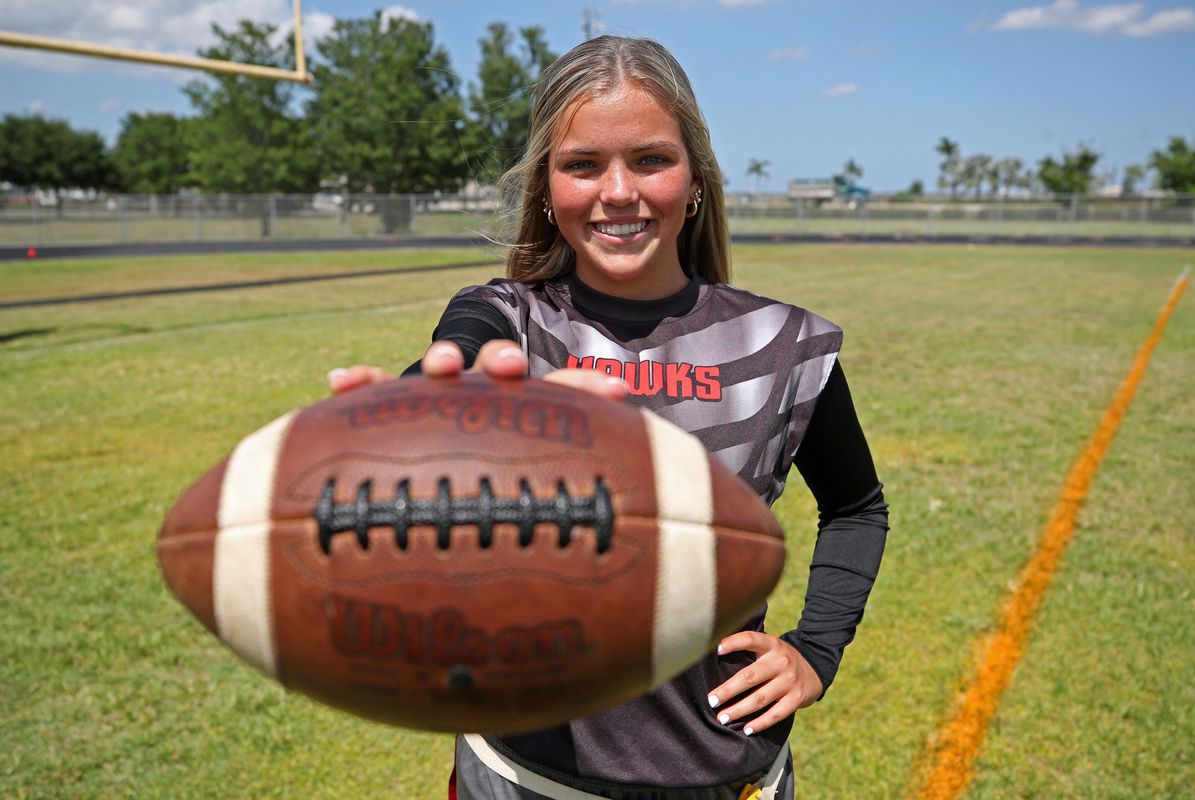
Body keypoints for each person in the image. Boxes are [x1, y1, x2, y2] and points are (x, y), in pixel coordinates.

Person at [328, 34, 888, 800]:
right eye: (583, 164)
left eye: (651, 160)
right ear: (548, 186)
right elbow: (451, 375)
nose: (617, 191)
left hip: (728, 779)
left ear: (694, 178)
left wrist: (815, 650)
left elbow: (857, 506)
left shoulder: (782, 345)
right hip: (520, 780)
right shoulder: (511, 321)